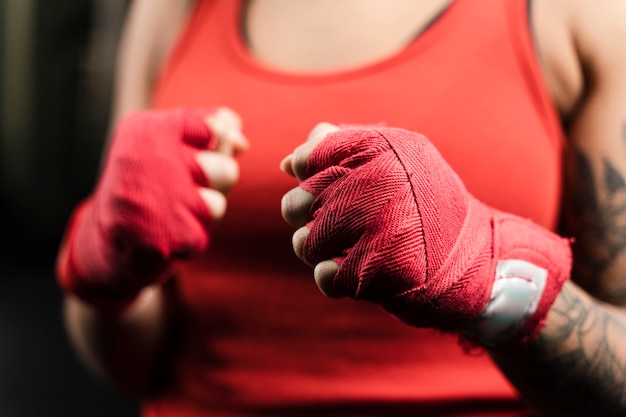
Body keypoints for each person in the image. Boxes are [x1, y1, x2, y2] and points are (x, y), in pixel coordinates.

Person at [56, 0, 626, 416]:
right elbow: (129, 367)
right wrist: (107, 267)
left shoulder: (579, 15)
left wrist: (486, 270)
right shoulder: (172, 10)